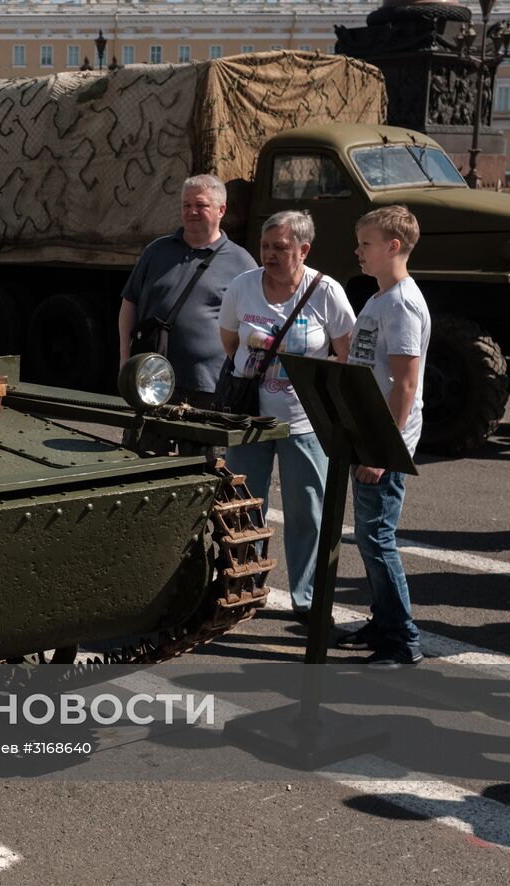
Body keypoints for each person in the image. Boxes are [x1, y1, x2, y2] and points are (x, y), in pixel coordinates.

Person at [219, 210, 355, 624]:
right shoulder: (243, 286)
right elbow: (229, 343)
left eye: (280, 248)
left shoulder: (325, 291)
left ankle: (307, 598)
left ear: (303, 249)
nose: (270, 255)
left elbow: (346, 355)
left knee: (306, 514)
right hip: (250, 423)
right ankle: (244, 589)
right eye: (265, 247)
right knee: (243, 510)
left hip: (304, 423)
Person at [334, 206, 432, 668]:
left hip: (383, 443)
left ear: (393, 247)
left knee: (377, 537)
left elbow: (406, 384)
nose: (358, 250)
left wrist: (382, 448)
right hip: (366, 434)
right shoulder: (378, 299)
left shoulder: (403, 304)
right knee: (371, 537)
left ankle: (403, 639)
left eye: (366, 243)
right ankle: (382, 620)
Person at [118, 174, 258, 407]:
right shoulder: (156, 251)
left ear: (221, 210)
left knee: (201, 444)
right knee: (144, 444)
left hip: (208, 386)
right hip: (151, 379)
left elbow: (253, 323)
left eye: (201, 205)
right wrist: (124, 359)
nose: (192, 211)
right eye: (186, 205)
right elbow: (129, 303)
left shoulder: (241, 263)